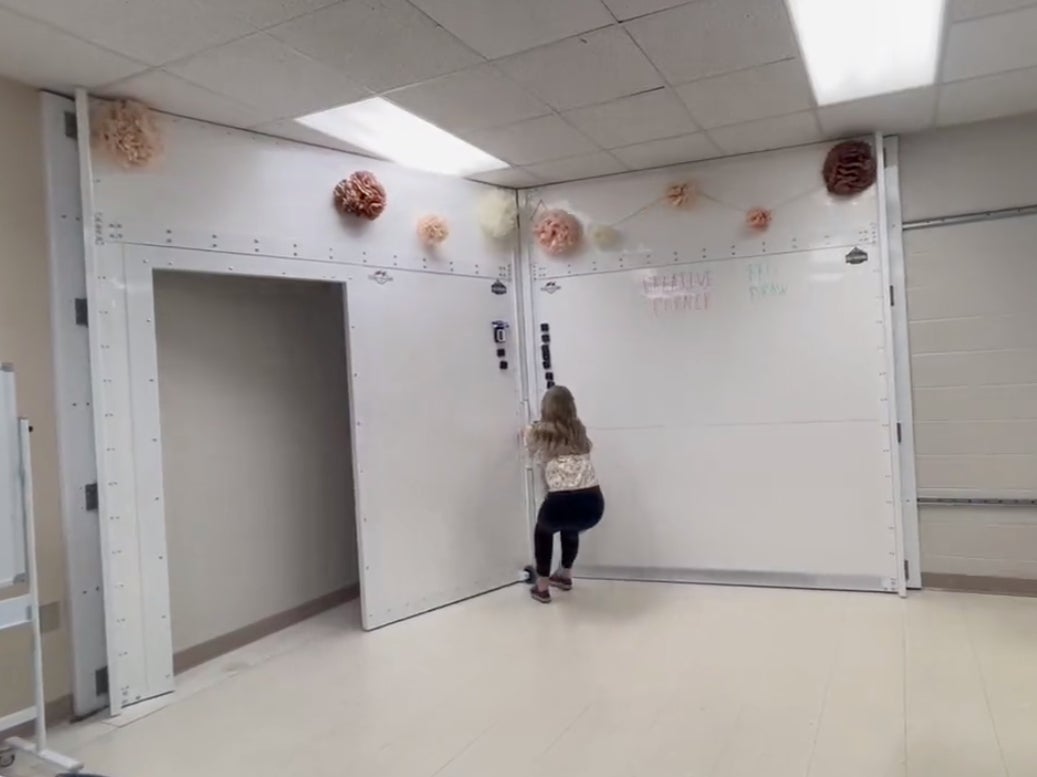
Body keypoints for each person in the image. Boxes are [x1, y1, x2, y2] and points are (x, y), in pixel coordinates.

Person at [525, 385, 605, 604]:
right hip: (593, 504)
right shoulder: (579, 433)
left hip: (560, 503)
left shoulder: (538, 433)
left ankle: (542, 587)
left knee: (544, 530)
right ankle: (564, 575)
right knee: (571, 528)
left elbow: (527, 445)